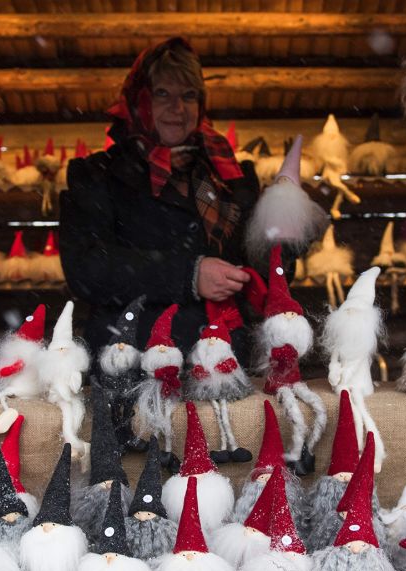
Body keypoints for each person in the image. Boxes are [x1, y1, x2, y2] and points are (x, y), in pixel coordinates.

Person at [61, 38, 297, 361]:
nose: (178, 108)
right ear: (139, 101)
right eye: (162, 94)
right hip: (133, 361)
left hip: (223, 360)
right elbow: (88, 270)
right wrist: (189, 275)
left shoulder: (229, 176)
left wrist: (286, 232)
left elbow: (267, 273)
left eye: (188, 96)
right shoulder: (98, 175)